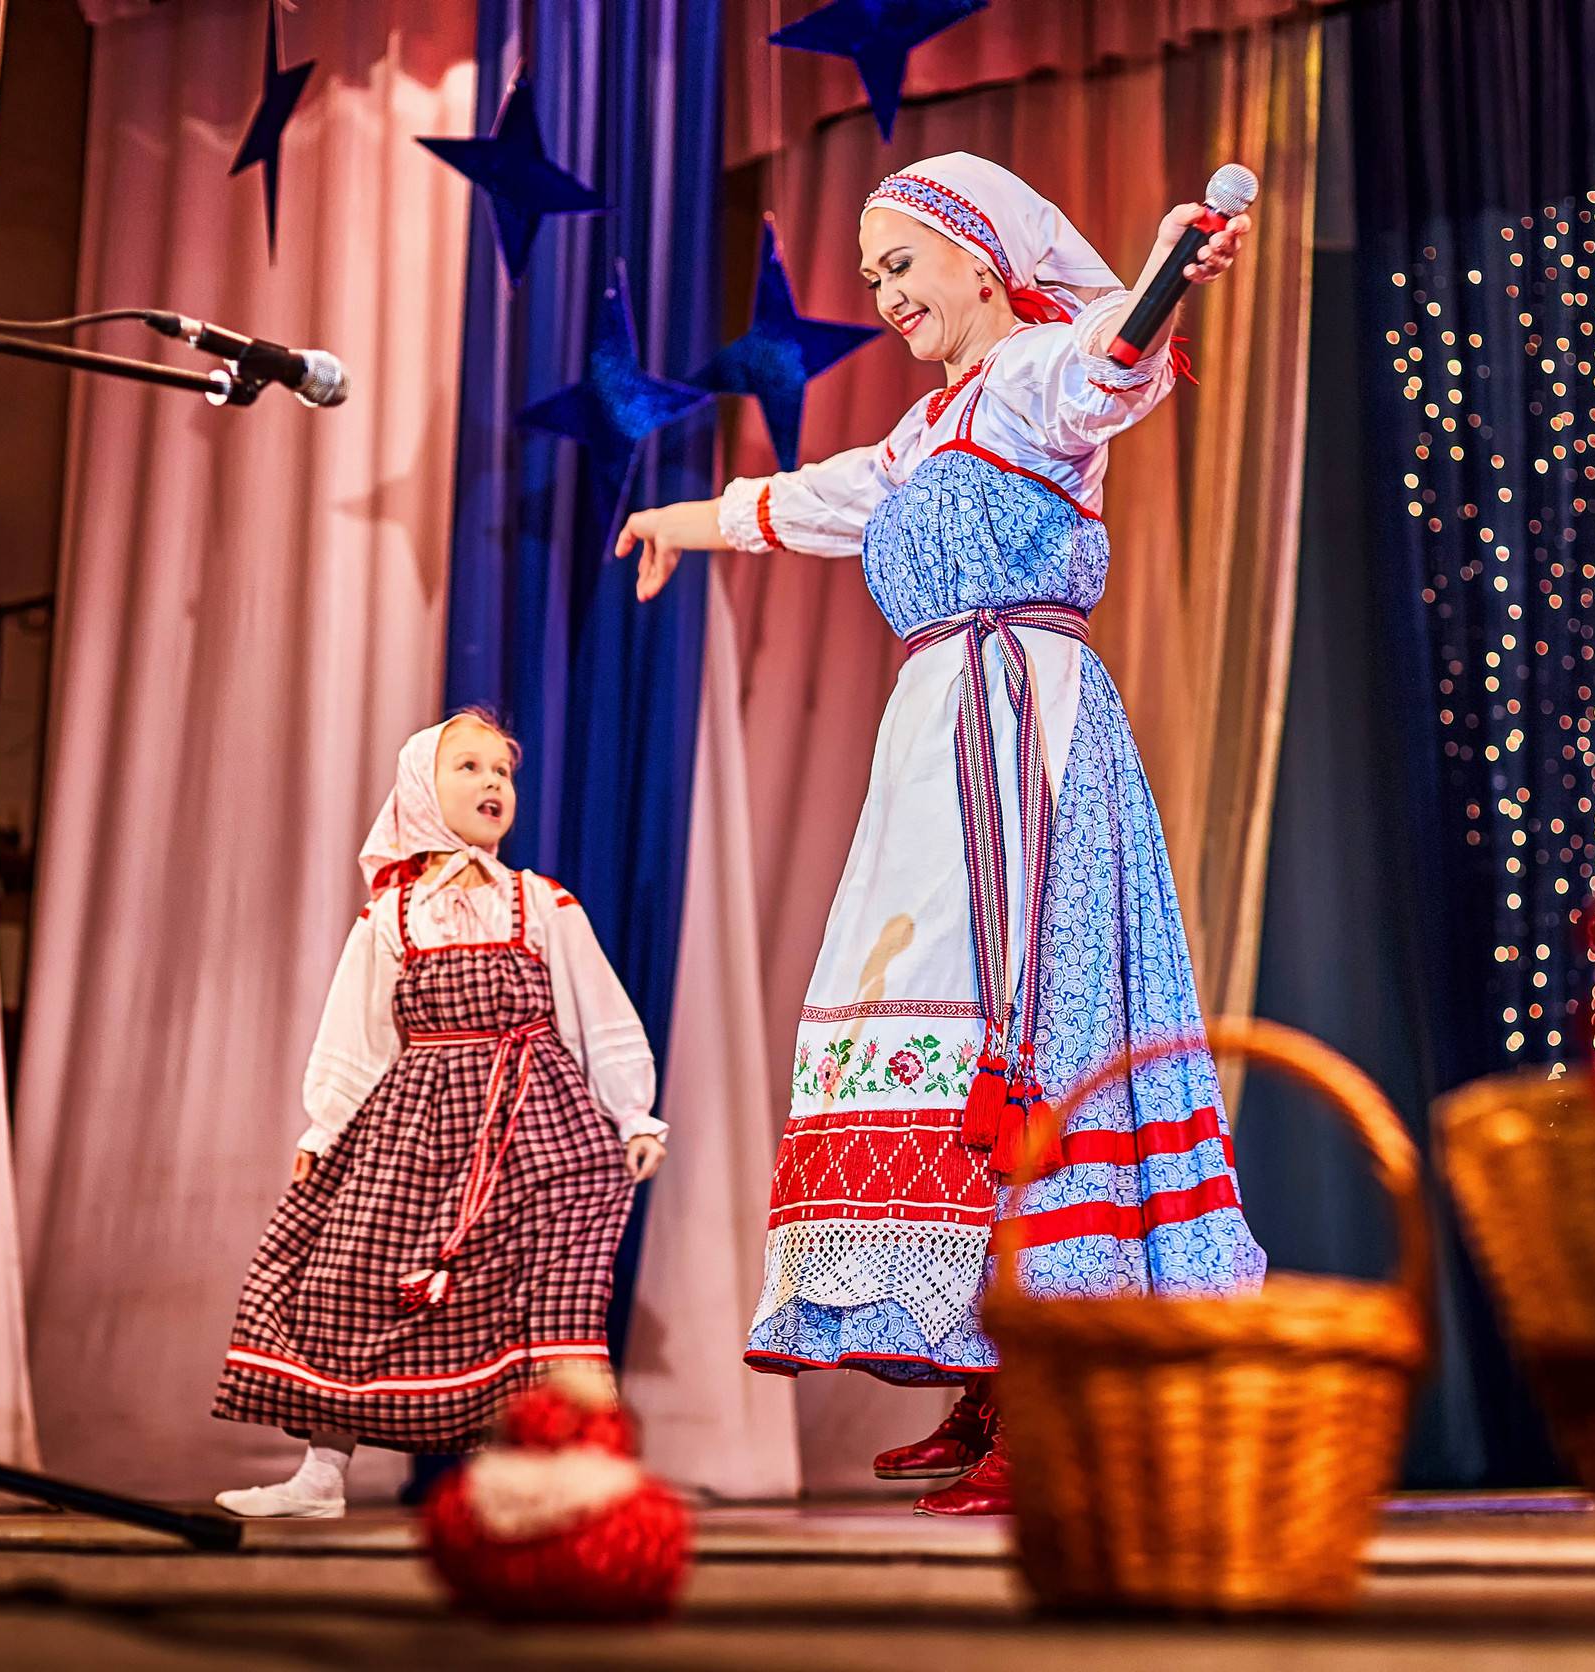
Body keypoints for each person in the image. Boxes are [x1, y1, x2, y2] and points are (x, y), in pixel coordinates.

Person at [616, 153, 1266, 1516]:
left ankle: (1058, 1382)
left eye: (900, 264)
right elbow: (807, 501)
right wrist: (675, 519)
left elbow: (1113, 361)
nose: (884, 293)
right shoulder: (926, 432)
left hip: (1022, 735)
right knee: (936, 1014)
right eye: (870, 275)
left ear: (983, 259)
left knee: (1029, 1022)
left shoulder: (1030, 377)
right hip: (935, 740)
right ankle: (989, 1363)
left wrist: (1166, 269)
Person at [210, 712, 667, 1517]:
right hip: (418, 1130)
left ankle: (546, 1479)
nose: (494, 783)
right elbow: (356, 1034)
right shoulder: (392, 915)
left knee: (533, 1296)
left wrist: (633, 1114)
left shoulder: (538, 901)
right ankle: (322, 1475)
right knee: (350, 1274)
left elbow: (597, 1012)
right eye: (470, 767)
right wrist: (325, 1125)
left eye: (503, 771)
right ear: (422, 787)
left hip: (531, 1128)